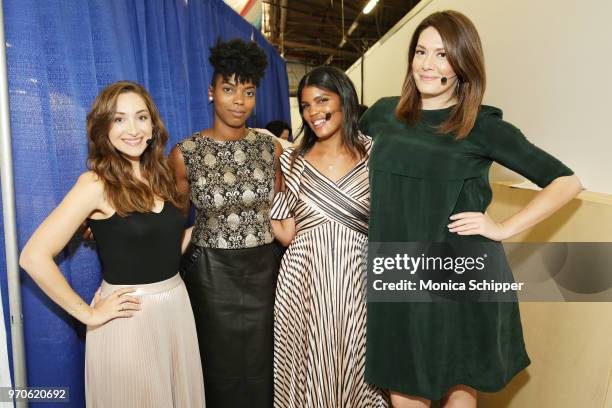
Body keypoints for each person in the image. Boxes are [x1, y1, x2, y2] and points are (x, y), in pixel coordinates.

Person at [359, 11, 582, 408]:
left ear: (462, 64)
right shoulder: (382, 114)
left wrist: (503, 228)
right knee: (403, 386)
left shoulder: (481, 126)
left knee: (460, 381)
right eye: (421, 52)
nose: (428, 64)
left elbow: (565, 181)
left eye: (443, 55)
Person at [19, 81, 205, 407]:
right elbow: (33, 257)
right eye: (119, 119)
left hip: (176, 309)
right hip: (128, 321)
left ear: (153, 125)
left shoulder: (161, 175)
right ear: (104, 128)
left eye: (141, 117)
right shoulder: (95, 184)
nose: (132, 129)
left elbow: (164, 250)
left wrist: (210, 227)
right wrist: (87, 313)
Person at [169, 38, 282, 408]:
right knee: (217, 366)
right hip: (211, 275)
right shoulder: (185, 153)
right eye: (229, 89)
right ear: (211, 92)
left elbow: (281, 205)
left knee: (264, 362)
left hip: (266, 270)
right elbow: (171, 217)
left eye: (248, 92)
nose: (239, 100)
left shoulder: (270, 148)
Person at [271, 66, 389, 408]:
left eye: (322, 100)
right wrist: (253, 205)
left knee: (359, 367)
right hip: (304, 282)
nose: (313, 113)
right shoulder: (292, 160)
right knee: (308, 369)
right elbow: (287, 233)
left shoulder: (375, 154)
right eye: (305, 106)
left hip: (359, 280)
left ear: (345, 99)